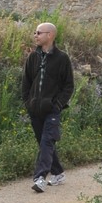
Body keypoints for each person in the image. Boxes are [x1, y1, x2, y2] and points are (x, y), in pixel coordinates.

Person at [21, 21, 74, 193]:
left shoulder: (62, 58)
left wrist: (57, 105)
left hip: (52, 110)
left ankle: (40, 178)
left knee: (47, 141)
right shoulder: (32, 57)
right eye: (35, 32)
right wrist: (28, 103)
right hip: (35, 109)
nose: (35, 35)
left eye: (39, 33)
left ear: (50, 35)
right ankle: (58, 173)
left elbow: (69, 86)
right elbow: (26, 83)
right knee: (43, 142)